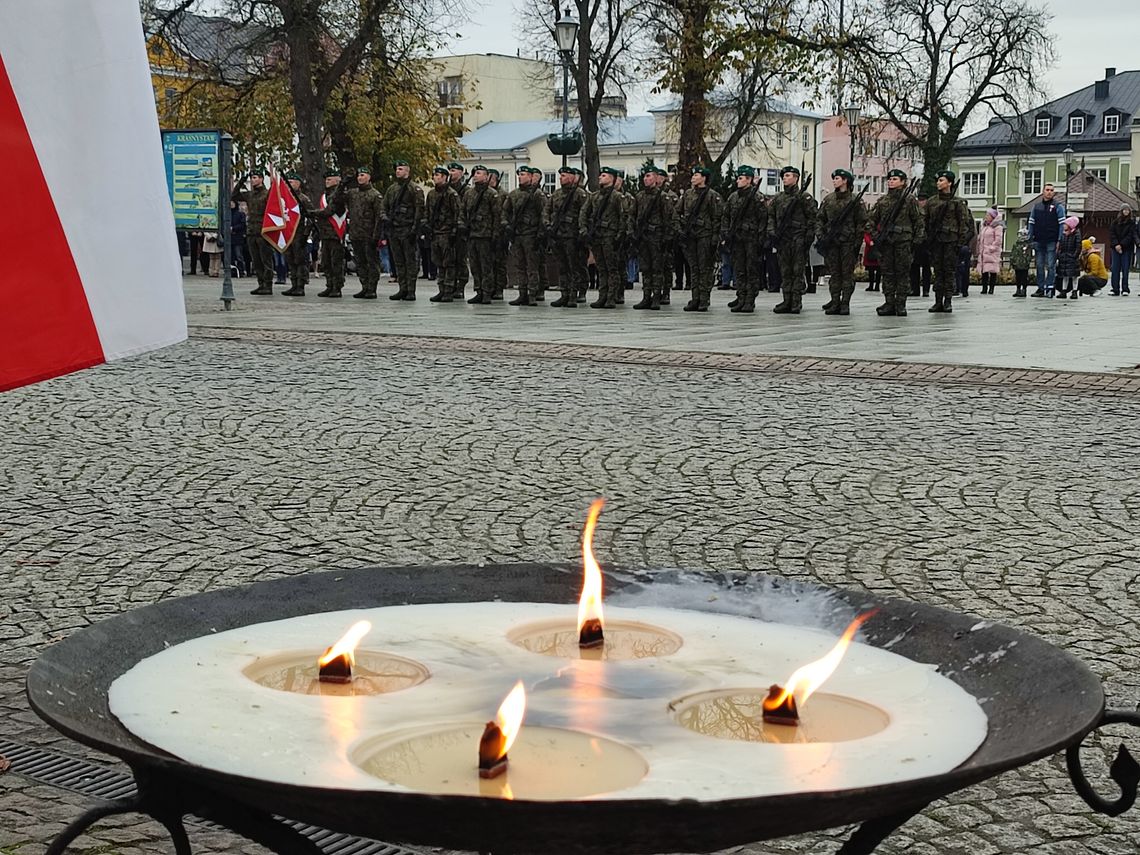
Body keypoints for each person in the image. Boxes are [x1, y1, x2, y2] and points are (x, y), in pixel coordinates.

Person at [867, 169, 924, 316]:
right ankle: (889, 302)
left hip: (903, 242)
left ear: (903, 182)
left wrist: (916, 240)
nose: (891, 181)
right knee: (887, 273)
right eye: (890, 179)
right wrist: (875, 236)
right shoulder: (883, 201)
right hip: (886, 243)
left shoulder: (910, 200)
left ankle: (901, 304)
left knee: (902, 273)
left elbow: (918, 221)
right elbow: (870, 221)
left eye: (895, 179)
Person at [815, 168, 867, 316]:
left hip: (848, 243)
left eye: (837, 178)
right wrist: (821, 235)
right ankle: (835, 301)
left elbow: (861, 223)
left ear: (845, 181)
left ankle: (845, 303)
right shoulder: (829, 199)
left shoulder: (855, 200)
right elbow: (820, 219)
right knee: (835, 274)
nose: (834, 180)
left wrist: (857, 242)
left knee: (847, 274)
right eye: (834, 178)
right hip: (831, 243)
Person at [768, 166, 816, 314]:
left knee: (797, 270)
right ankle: (786, 299)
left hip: (798, 238)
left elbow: (812, 218)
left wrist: (807, 237)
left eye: (788, 176)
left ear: (796, 178)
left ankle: (796, 301)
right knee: (785, 270)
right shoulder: (778, 198)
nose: (785, 178)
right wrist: (772, 232)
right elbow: (771, 216)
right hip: (783, 239)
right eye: (784, 176)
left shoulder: (804, 197)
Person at [629, 166, 679, 310]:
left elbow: (670, 219)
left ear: (657, 179)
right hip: (643, 238)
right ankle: (646, 296)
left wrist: (667, 238)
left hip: (657, 238)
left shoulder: (663, 197)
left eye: (649, 176)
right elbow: (632, 216)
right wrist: (632, 233)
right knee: (645, 268)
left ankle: (657, 297)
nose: (646, 179)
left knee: (657, 269)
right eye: (645, 176)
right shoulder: (639, 197)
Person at [923, 169, 973, 313]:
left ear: (949, 183)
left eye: (941, 180)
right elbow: (924, 221)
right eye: (938, 181)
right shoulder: (932, 202)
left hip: (951, 241)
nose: (938, 183)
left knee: (949, 271)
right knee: (938, 271)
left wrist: (960, 243)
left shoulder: (957, 202)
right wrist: (926, 239)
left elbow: (963, 224)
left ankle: (948, 300)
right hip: (936, 241)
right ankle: (938, 301)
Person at [677, 166, 724, 312]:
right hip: (690, 236)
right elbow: (677, 212)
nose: (693, 177)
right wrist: (680, 229)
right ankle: (695, 297)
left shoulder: (712, 196)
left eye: (696, 175)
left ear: (704, 178)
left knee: (705, 268)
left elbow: (718, 218)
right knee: (694, 268)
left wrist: (715, 238)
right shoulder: (688, 195)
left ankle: (704, 299)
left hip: (705, 236)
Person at [580, 166, 627, 308]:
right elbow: (584, 213)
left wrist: (620, 236)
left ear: (612, 179)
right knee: (601, 268)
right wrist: (584, 231)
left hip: (610, 237)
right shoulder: (594, 196)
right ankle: (602, 296)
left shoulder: (617, 197)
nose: (600, 177)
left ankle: (611, 297)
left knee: (611, 268)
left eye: (604, 175)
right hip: (597, 237)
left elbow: (624, 217)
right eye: (600, 175)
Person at [723, 166, 766, 314]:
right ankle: (741, 297)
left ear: (749, 180)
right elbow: (726, 216)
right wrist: (725, 233)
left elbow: (763, 220)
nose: (737, 181)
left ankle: (749, 300)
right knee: (739, 269)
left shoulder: (757, 197)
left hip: (751, 240)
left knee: (751, 269)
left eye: (741, 178)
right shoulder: (733, 197)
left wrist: (761, 239)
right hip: (737, 239)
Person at [502, 166, 546, 306]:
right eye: (519, 174)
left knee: (532, 267)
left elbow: (543, 215)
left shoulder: (537, 194)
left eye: (523, 174)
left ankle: (533, 294)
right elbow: (505, 211)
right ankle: (522, 293)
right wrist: (506, 225)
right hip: (517, 234)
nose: (520, 177)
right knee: (520, 266)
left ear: (531, 177)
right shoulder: (514, 194)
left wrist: (540, 234)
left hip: (531, 235)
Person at [381, 160, 425, 301]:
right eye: (397, 169)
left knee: (410, 262)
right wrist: (385, 218)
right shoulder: (392, 189)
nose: (397, 171)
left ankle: (411, 290)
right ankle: (402, 288)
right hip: (394, 230)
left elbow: (419, 212)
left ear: (407, 171)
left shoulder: (414, 189)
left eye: (401, 169)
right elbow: (384, 206)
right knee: (398, 261)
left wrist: (414, 230)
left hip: (408, 230)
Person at [545, 165, 588, 308]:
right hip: (558, 235)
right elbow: (546, 211)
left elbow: (586, 214)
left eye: (564, 176)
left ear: (571, 177)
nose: (561, 178)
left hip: (572, 236)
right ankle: (564, 293)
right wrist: (548, 225)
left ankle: (574, 294)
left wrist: (582, 232)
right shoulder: (556, 194)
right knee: (562, 266)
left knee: (574, 266)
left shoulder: (580, 194)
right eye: (560, 176)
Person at [461, 164, 503, 304]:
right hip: (472, 234)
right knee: (474, 265)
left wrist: (495, 235)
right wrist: (462, 226)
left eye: (479, 173)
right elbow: (463, 212)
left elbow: (497, 216)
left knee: (486, 266)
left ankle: (487, 292)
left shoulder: (492, 194)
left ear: (486, 176)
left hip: (485, 235)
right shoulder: (469, 193)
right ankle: (478, 290)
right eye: (474, 173)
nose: (476, 175)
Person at [230, 170, 273, 295]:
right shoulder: (250, 195)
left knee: (266, 259)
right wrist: (242, 180)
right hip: (251, 231)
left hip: (263, 231)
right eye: (252, 178)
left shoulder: (267, 194)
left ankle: (268, 284)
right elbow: (234, 195)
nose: (253, 180)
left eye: (255, 177)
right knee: (256, 260)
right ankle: (261, 284)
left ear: (261, 179)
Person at [346, 165, 384, 299]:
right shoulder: (352, 193)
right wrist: (342, 184)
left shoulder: (375, 195)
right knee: (360, 262)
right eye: (359, 175)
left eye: (363, 175)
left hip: (369, 234)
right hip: (356, 234)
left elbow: (379, 217)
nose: (360, 178)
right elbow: (337, 199)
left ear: (369, 177)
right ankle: (364, 286)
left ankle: (372, 288)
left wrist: (376, 236)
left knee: (371, 262)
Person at [425, 166, 461, 302]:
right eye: (434, 175)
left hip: (447, 233)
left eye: (438, 175)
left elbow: (458, 213)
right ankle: (441, 289)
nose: (435, 177)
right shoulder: (432, 194)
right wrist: (426, 225)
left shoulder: (451, 194)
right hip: (435, 232)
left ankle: (449, 290)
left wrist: (454, 232)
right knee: (438, 262)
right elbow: (427, 211)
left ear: (445, 177)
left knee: (449, 263)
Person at [313, 168, 348, 298]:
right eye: (326, 180)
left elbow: (329, 211)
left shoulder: (339, 195)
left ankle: (337, 287)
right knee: (326, 262)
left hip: (335, 234)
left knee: (336, 262)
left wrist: (313, 213)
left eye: (329, 179)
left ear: (337, 180)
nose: (326, 182)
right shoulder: (325, 195)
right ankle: (329, 285)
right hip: (325, 233)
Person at [1027, 183, 1065, 298]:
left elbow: (1062, 224)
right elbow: (1031, 223)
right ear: (1043, 191)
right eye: (1047, 189)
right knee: (1039, 265)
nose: (1049, 192)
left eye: (1051, 190)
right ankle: (1040, 288)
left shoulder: (1058, 206)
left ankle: (1049, 288)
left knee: (1051, 265)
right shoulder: (1036, 207)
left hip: (1052, 240)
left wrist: (1060, 240)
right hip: (1038, 240)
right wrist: (1030, 238)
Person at [282, 171, 313, 296]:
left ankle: (301, 286)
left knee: (300, 261)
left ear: (298, 184)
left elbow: (311, 218)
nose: (289, 184)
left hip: (299, 233)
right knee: (290, 260)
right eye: (287, 182)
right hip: (288, 234)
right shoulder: (285, 198)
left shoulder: (303, 199)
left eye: (292, 182)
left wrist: (306, 234)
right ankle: (294, 284)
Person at [446, 163, 472, 299]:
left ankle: (460, 286)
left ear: (461, 173)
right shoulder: (446, 189)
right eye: (450, 170)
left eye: (454, 170)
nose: (451, 173)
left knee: (460, 259)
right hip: (446, 229)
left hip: (461, 229)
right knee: (448, 259)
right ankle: (449, 285)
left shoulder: (467, 190)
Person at [1108, 205, 1135, 296]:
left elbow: (1130, 235)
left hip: (1126, 249)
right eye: (1125, 210)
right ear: (1121, 211)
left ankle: (1125, 289)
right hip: (1115, 248)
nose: (1126, 211)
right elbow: (1112, 234)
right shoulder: (1115, 222)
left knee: (1125, 269)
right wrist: (1116, 245)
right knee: (1115, 269)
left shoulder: (1131, 223)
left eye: (1128, 210)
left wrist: (1122, 245)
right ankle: (1115, 289)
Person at [976, 208, 1004, 295]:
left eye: (988, 215)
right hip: (984, 251)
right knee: (984, 270)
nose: (986, 217)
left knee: (992, 270)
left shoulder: (997, 227)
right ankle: (984, 288)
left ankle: (991, 288)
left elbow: (998, 240)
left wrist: (991, 248)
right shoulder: (984, 226)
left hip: (992, 252)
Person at [1055, 216, 1082, 299]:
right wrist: (1060, 255)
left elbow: (1078, 246)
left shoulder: (1076, 234)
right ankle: (1064, 291)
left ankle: (1074, 291)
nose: (1064, 225)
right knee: (1065, 276)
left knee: (1074, 276)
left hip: (1072, 258)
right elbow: (1060, 246)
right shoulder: (1063, 235)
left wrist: (1074, 256)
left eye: (1066, 224)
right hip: (1064, 258)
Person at [1010, 227, 1032, 298]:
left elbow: (1029, 255)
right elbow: (1013, 253)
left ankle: (1024, 290)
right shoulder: (1016, 244)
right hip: (1017, 265)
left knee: (1024, 278)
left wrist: (1027, 262)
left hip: (1024, 265)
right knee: (1018, 277)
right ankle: (1018, 289)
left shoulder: (1027, 245)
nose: (1019, 236)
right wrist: (1012, 261)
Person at [229, 201, 247, 277]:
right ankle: (232, 271)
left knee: (239, 255)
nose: (231, 204)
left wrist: (233, 228)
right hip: (230, 238)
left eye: (233, 203)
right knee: (231, 257)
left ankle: (241, 270)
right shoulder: (228, 213)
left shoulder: (240, 214)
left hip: (238, 237)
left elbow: (242, 225)